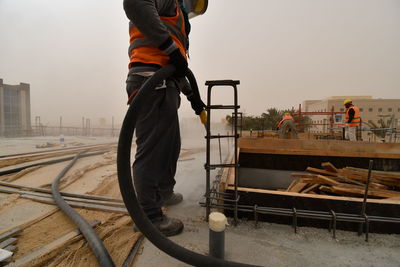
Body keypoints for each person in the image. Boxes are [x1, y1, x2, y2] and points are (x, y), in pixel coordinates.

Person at [123, 0, 197, 237]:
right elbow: (134, 3)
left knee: (170, 146)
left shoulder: (175, 16)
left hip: (165, 84)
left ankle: (164, 191)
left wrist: (191, 94)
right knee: (153, 152)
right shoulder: (169, 1)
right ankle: (148, 215)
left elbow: (175, 64)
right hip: (150, 81)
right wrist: (171, 49)